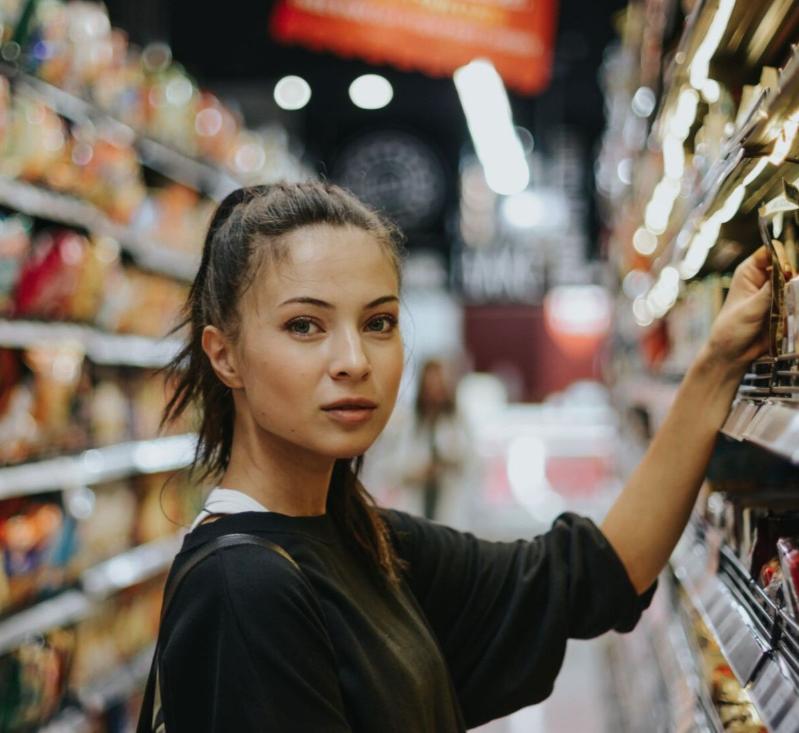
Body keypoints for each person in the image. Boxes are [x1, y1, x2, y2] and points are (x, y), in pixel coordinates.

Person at [139, 181, 772, 732]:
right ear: (224, 355)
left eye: (379, 323)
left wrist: (718, 363)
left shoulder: (361, 539)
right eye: (305, 325)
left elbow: (591, 575)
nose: (355, 361)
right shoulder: (244, 588)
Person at [383, 358, 476, 526]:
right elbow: (392, 468)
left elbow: (471, 461)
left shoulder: (457, 421)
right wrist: (419, 470)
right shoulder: (410, 423)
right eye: (430, 384)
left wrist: (447, 463)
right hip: (417, 504)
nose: (435, 390)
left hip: (450, 504)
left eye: (439, 383)